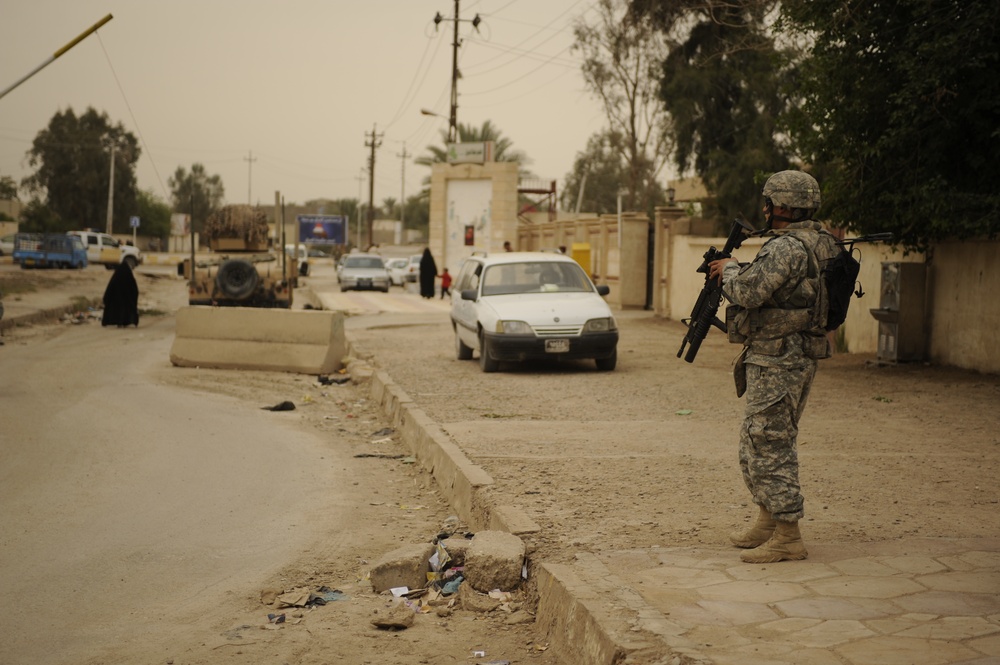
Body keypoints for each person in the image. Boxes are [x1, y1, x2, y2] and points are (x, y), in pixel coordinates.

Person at [707, 170, 836, 564]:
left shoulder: (786, 248)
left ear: (782, 206)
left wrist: (728, 268)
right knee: (758, 438)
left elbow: (748, 292)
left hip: (780, 356)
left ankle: (788, 535)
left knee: (770, 442)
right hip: (789, 354)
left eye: (768, 202)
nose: (764, 209)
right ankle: (769, 517)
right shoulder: (822, 242)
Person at [101, 261, 140, 328]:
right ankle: (126, 322)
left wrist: (106, 298)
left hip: (116, 298)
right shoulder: (129, 277)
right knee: (125, 309)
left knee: (117, 309)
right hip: (127, 299)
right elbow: (135, 290)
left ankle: (117, 322)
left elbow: (110, 289)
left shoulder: (116, 278)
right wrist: (133, 299)